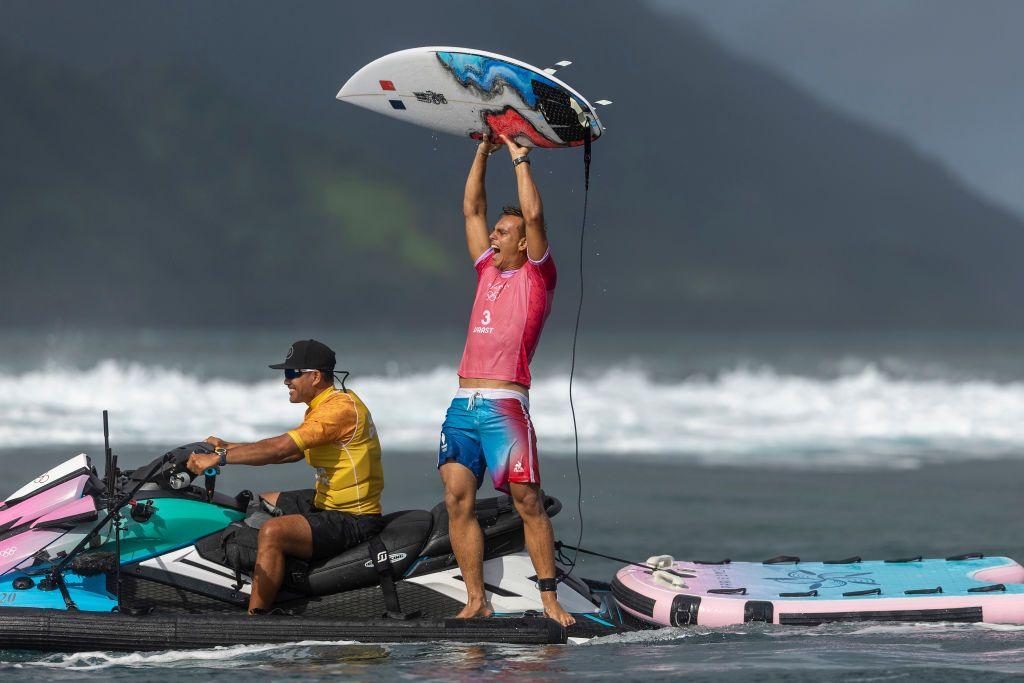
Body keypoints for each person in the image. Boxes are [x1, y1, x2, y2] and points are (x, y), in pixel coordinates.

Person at [437, 133, 574, 626]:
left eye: (503, 232)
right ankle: (476, 600)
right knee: (457, 498)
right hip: (463, 405)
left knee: (527, 501)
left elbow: (535, 217)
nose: (493, 237)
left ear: (522, 242)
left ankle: (549, 599)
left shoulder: (537, 278)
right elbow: (471, 211)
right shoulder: (486, 271)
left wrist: (519, 158)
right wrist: (482, 151)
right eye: (494, 231)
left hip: (505, 405)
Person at [187, 338, 384, 614]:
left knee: (272, 532)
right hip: (326, 503)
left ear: (315, 377)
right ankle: (272, 581)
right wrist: (229, 446)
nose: (285, 381)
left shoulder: (338, 411)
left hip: (354, 519)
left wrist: (220, 458)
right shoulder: (324, 406)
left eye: (292, 374)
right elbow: (293, 454)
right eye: (285, 374)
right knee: (263, 502)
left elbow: (281, 449)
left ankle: (257, 617)